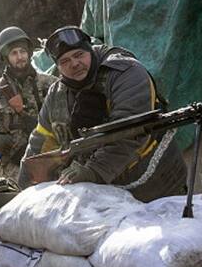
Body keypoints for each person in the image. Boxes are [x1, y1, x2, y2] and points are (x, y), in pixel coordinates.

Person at [18, 25, 187, 202]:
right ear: (58, 67)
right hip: (107, 195)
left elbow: (132, 132)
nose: (74, 64)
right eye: (65, 61)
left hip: (156, 183)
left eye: (79, 55)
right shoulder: (56, 94)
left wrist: (93, 170)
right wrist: (22, 189)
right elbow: (41, 141)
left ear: (90, 50)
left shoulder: (125, 71)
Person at [0, 26, 57, 180]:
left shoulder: (51, 85)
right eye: (14, 53)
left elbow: (69, 117)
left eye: (22, 51)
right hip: (12, 172)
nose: (20, 56)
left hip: (52, 164)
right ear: (5, 57)